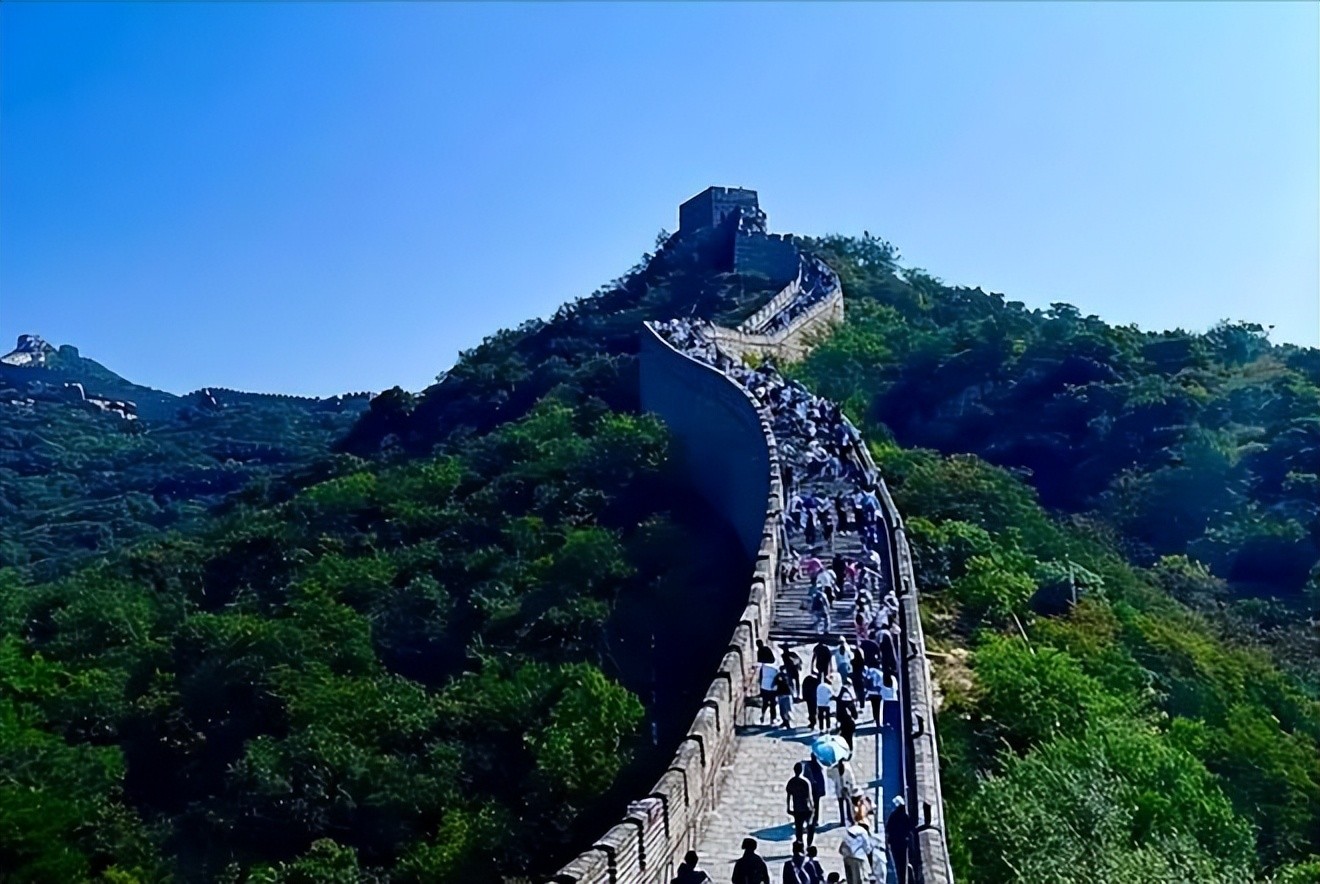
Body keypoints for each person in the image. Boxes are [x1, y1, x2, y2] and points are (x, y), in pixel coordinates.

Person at [838, 818, 876, 884]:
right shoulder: (863, 832)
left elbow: (843, 842)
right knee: (857, 878)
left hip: (846, 856)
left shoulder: (850, 829)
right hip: (857, 857)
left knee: (849, 876)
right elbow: (867, 847)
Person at [786, 763, 815, 846]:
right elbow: (809, 797)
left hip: (797, 809)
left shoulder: (791, 782)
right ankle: (809, 844)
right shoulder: (805, 782)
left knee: (798, 829)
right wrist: (812, 808)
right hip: (806, 808)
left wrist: (788, 808)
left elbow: (788, 796)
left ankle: (800, 844)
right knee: (810, 827)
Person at [886, 796, 913, 884]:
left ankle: (900, 881)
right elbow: (910, 830)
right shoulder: (905, 816)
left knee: (897, 865)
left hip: (895, 844)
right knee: (903, 864)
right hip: (903, 844)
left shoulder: (893, 816)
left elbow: (888, 830)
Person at [804, 755, 826, 840]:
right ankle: (813, 819)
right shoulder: (812, 766)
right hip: (813, 790)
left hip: (814, 790)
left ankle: (813, 820)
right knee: (814, 805)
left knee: (814, 805)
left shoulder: (814, 766)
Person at [759, 659, 780, 725]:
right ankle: (772, 719)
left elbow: (760, 677)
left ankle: (763, 715)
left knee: (765, 703)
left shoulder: (763, 668)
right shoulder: (775, 669)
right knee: (772, 704)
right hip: (772, 688)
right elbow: (777, 679)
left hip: (764, 687)